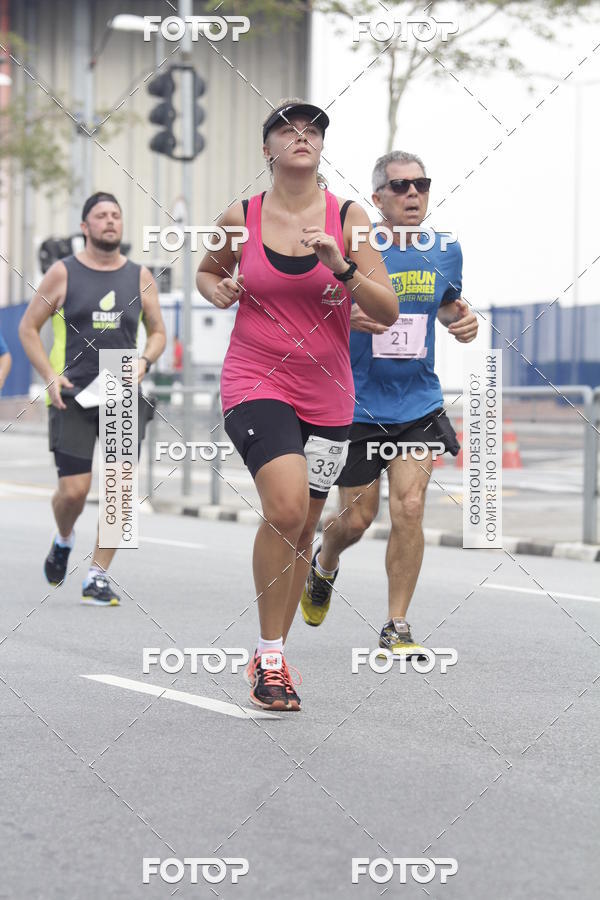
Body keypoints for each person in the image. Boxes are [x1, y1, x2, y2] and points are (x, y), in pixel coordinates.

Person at [197, 99, 397, 711]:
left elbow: (385, 311)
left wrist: (342, 268)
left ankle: (272, 651)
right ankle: (270, 657)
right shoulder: (242, 214)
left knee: (306, 527)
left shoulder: (349, 217)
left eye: (313, 130)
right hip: (257, 378)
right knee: (284, 510)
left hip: (330, 391)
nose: (302, 136)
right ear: (268, 150)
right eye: (288, 129)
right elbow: (206, 272)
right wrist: (222, 289)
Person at [300, 150, 478, 656]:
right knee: (356, 520)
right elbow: (312, 304)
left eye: (421, 184)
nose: (413, 194)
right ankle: (325, 560)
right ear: (377, 198)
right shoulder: (354, 246)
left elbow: (447, 305)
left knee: (412, 505)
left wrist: (462, 323)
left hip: (418, 401)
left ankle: (396, 623)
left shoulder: (444, 249)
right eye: (400, 187)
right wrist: (344, 315)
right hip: (356, 404)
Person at [19, 192, 166, 606]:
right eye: (100, 215)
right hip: (72, 392)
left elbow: (158, 332)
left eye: (116, 215)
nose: (110, 221)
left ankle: (97, 576)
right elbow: (29, 328)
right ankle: (64, 538)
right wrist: (48, 376)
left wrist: (145, 362)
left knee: (120, 489)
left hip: (122, 390)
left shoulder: (139, 276)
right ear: (85, 227)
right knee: (73, 492)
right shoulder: (62, 274)